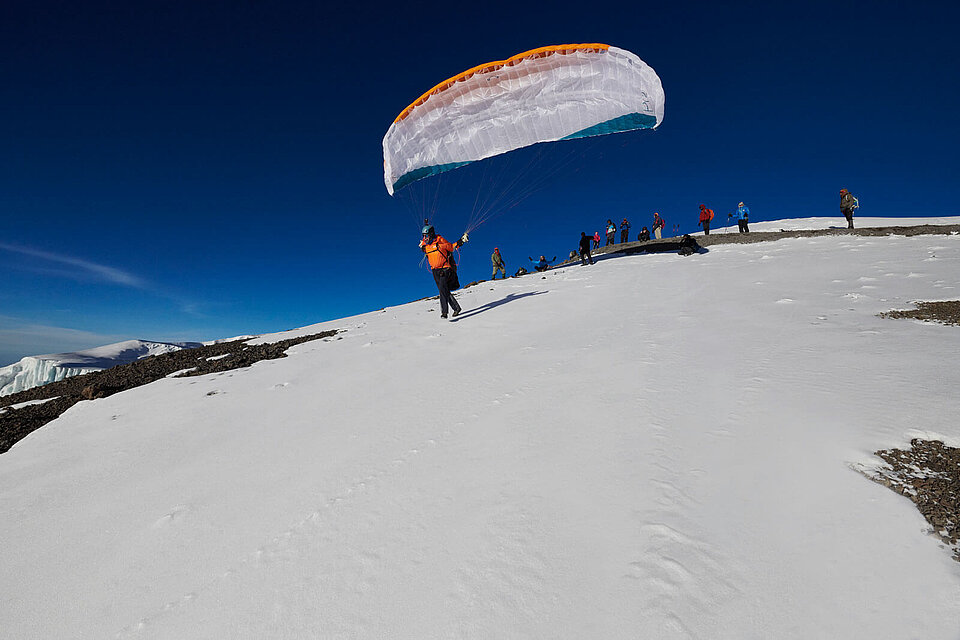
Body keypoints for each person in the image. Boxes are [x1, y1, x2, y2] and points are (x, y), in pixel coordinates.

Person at [420, 224, 467, 319]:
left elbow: (452, 247)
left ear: (431, 234)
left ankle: (444, 313)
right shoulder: (426, 246)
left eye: (426, 235)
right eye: (423, 236)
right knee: (444, 290)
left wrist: (462, 240)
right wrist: (422, 246)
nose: (424, 238)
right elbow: (423, 249)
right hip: (435, 271)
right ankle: (456, 308)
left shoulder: (441, 243)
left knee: (442, 289)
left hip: (445, 269)